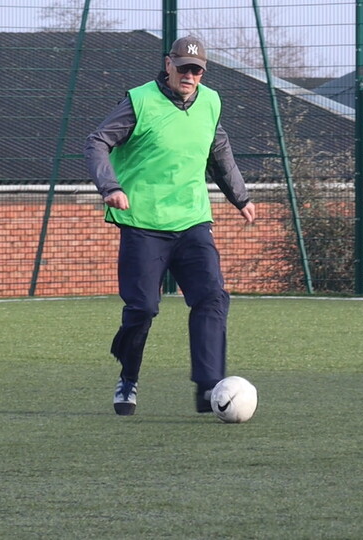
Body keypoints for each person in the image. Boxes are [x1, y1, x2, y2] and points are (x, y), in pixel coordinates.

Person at [85, 36, 256, 416]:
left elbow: (219, 151)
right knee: (143, 308)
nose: (190, 75)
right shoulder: (140, 101)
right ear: (168, 65)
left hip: (193, 220)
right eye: (183, 68)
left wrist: (241, 198)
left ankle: (210, 387)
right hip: (143, 223)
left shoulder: (210, 103)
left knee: (211, 296)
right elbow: (97, 141)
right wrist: (110, 186)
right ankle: (128, 377)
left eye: (197, 70)